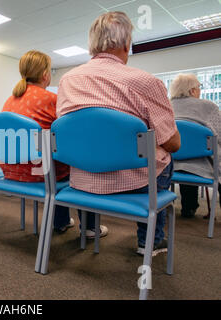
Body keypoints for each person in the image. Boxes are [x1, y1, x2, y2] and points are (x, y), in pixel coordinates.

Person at [57, 12, 180, 255]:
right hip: (135, 181)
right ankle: (150, 241)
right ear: (126, 44)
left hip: (84, 179)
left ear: (92, 44)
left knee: (88, 153)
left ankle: (88, 227)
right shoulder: (145, 82)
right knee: (166, 156)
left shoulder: (66, 81)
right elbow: (173, 142)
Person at [1, 50, 108, 237]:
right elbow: (71, 132)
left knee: (53, 159)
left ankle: (61, 221)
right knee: (81, 165)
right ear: (45, 74)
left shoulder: (9, 101)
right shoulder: (52, 99)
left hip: (11, 171)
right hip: (39, 174)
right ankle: (90, 228)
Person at [170, 73, 221, 218]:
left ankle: (188, 208)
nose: (199, 90)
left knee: (186, 159)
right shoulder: (208, 106)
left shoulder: (167, 105)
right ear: (192, 90)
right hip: (203, 166)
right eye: (199, 87)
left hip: (172, 164)